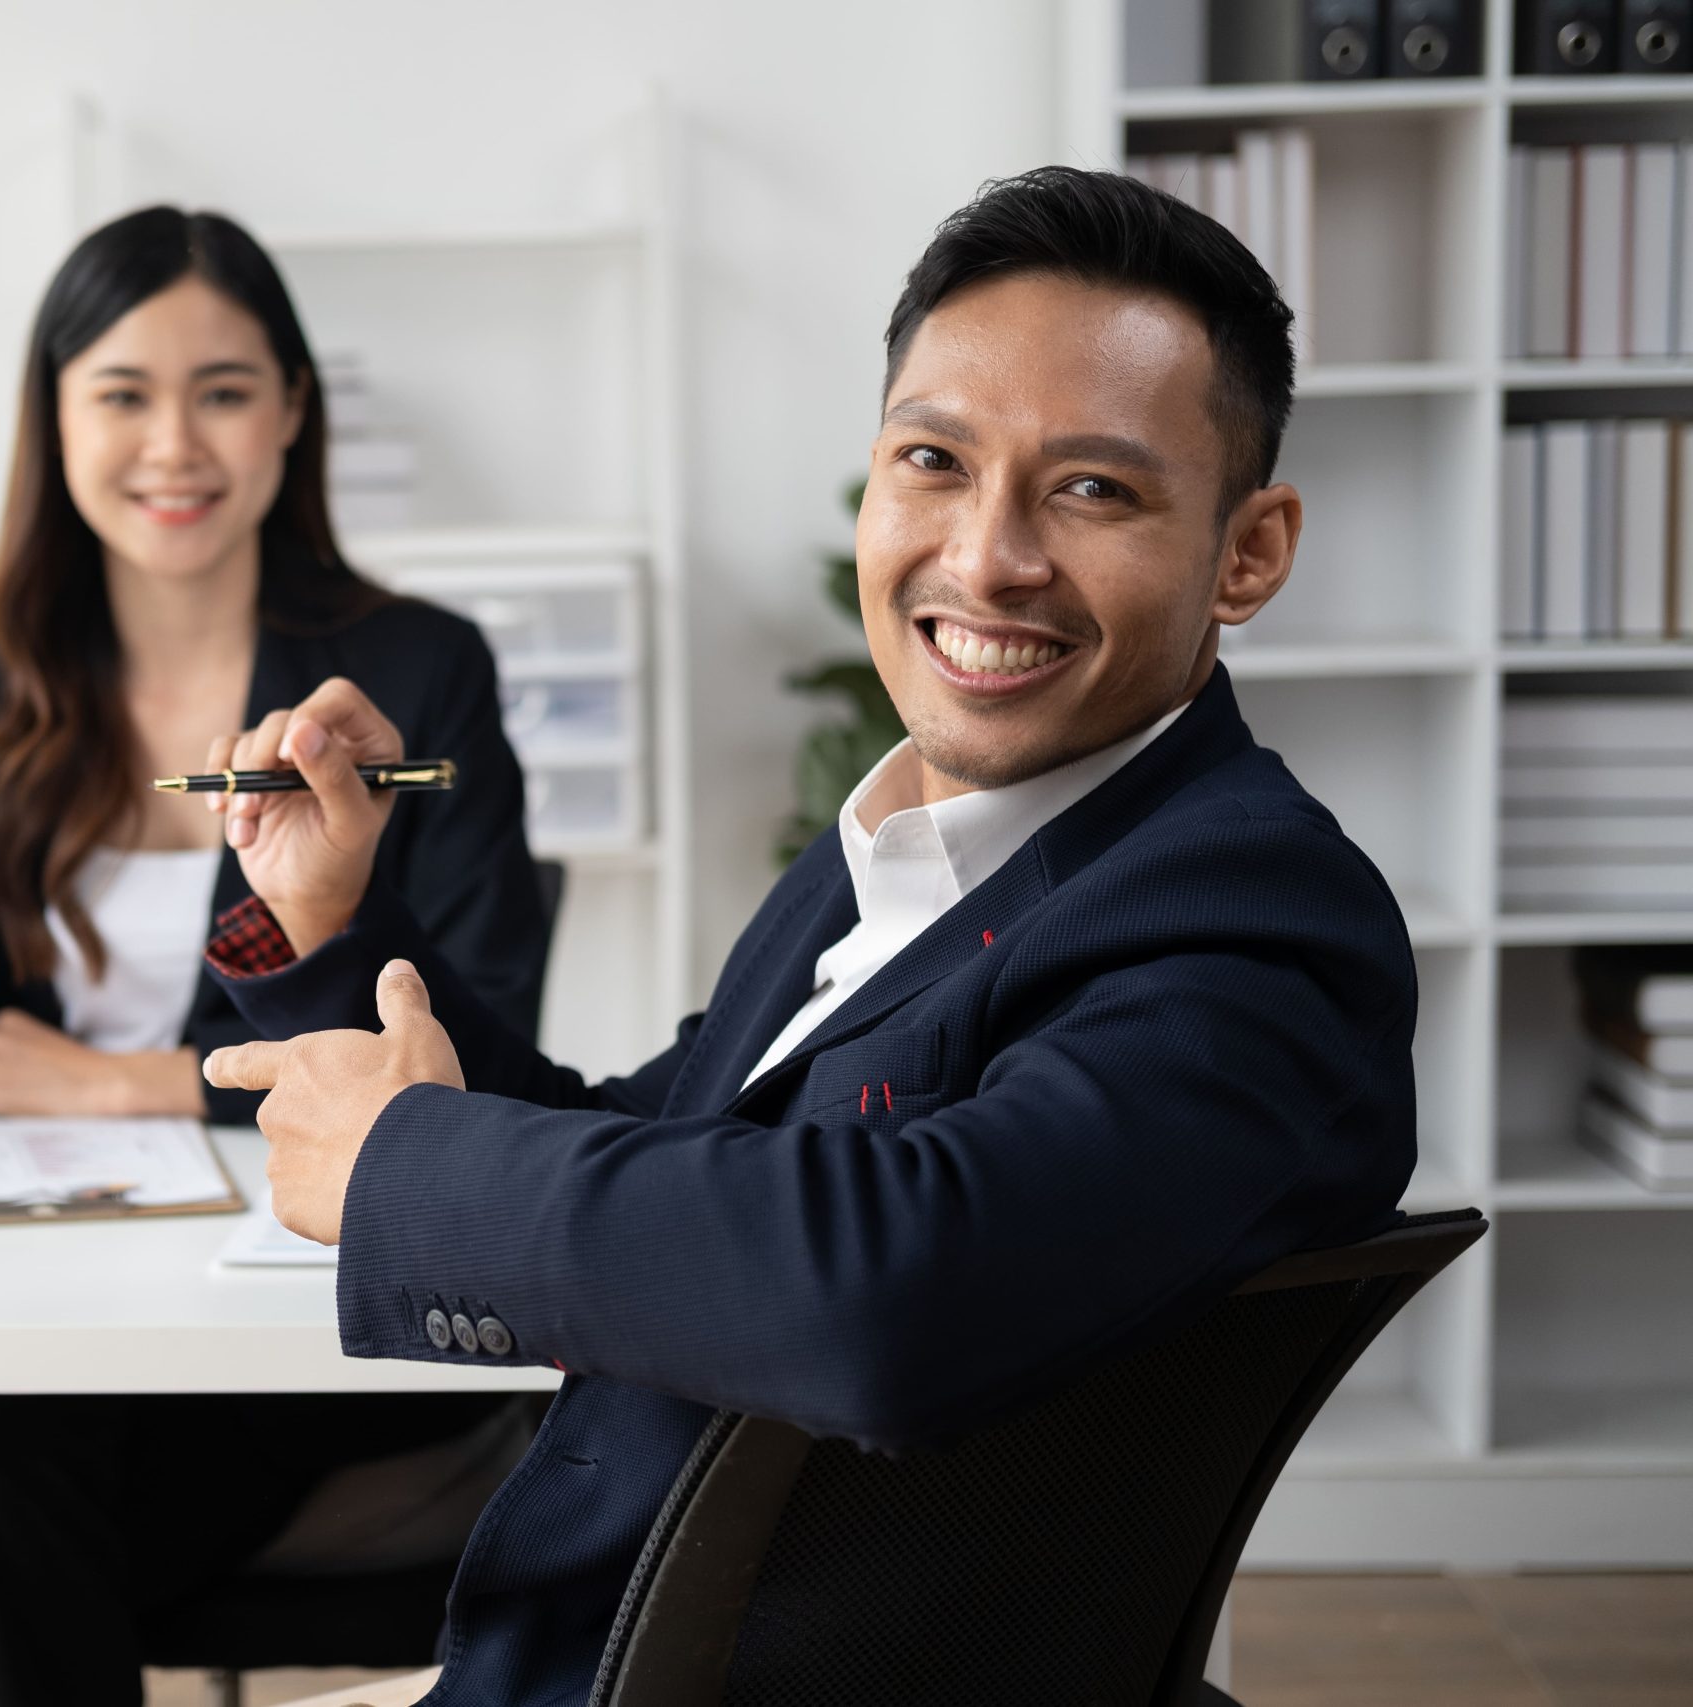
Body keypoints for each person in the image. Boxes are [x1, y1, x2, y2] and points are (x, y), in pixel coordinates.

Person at [192, 166, 1419, 1707]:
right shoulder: (911, 847)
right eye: (934, 463)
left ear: (1248, 551)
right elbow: (655, 1138)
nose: (985, 559)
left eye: (1093, 489)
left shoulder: (1254, 926)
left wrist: (409, 1168)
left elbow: (897, 1289)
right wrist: (340, 924)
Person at [0, 205, 547, 1705]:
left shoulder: (416, 675)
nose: (176, 443)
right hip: (30, 1305)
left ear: (293, 413)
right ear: (54, 418)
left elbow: (472, 1044)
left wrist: (121, 1085)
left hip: (294, 1314)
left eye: (225, 390)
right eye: (122, 394)